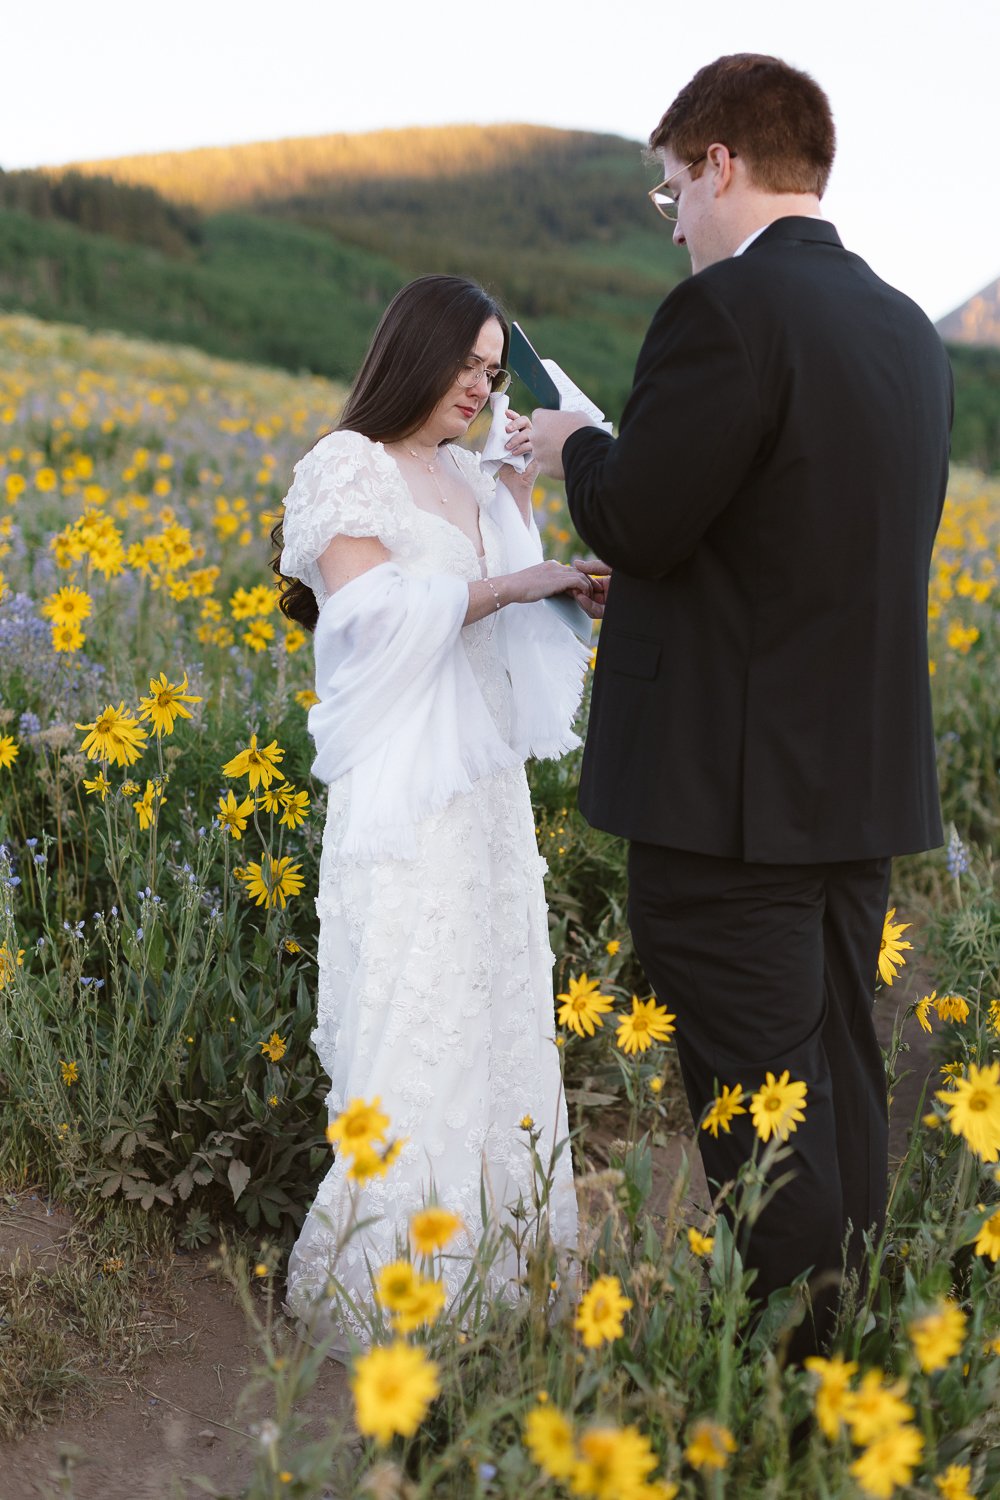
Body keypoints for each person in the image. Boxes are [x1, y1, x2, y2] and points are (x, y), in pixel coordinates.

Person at [531, 54, 953, 1356]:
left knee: (764, 1114)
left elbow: (648, 515)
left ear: (721, 162)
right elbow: (790, 546)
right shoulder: (904, 331)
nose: (675, 223)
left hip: (729, 806)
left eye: (672, 191)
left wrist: (573, 451)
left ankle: (804, 1379)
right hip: (850, 791)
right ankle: (855, 1350)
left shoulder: (729, 312)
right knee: (838, 1085)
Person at [273, 274, 597, 1359]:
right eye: (465, 364)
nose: (480, 387)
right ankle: (398, 1279)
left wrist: (547, 567)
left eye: (494, 371)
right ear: (412, 352)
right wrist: (511, 586)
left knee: (495, 999)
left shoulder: (469, 476)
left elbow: (508, 615)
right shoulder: (344, 467)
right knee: (416, 1002)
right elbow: (363, 624)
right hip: (406, 794)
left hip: (484, 790)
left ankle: (500, 1268)